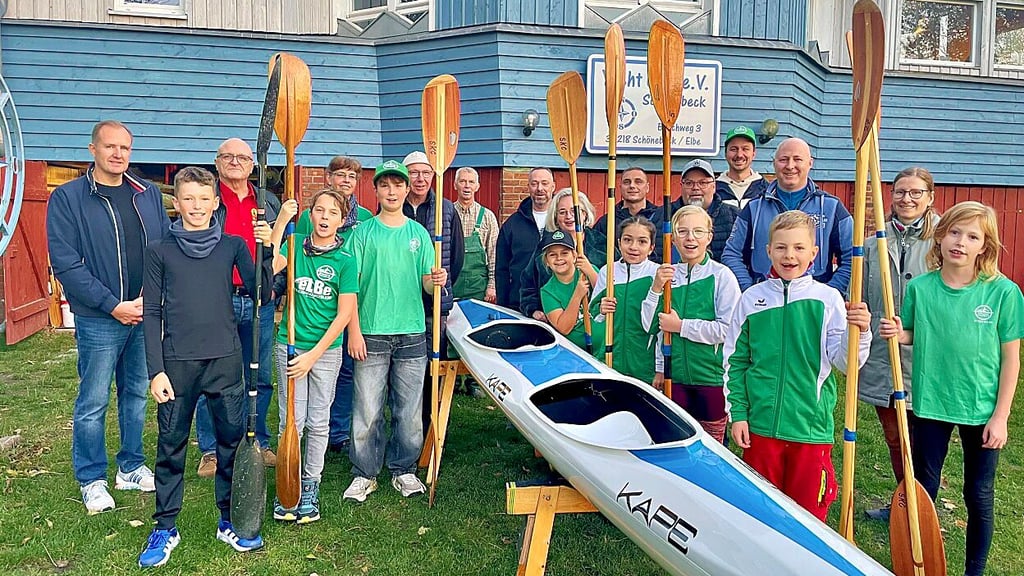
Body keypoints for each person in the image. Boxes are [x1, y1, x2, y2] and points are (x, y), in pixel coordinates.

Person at [138, 166, 273, 567]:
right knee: (171, 445)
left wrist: (269, 245)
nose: (196, 206)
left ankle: (228, 519)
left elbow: (261, 293)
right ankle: (165, 525)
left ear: (216, 203)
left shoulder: (232, 245)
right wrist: (155, 369)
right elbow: (150, 312)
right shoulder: (160, 251)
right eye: (188, 199)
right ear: (176, 204)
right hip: (178, 363)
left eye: (204, 199)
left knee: (231, 442)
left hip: (225, 362)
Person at [880, 201, 1023, 576]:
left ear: (984, 246)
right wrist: (899, 332)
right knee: (923, 488)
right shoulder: (922, 289)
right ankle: (921, 559)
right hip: (931, 403)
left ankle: (973, 569)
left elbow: (1012, 360)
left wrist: (1001, 416)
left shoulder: (1003, 293)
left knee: (978, 493)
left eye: (972, 236)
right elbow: (913, 332)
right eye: (954, 233)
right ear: (940, 238)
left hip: (980, 407)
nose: (961, 242)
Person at [46, 120, 170, 515]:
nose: (118, 154)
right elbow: (66, 263)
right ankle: (91, 478)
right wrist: (111, 304)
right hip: (100, 317)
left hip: (142, 312)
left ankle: (131, 467)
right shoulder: (68, 198)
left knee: (135, 394)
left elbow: (164, 247)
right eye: (110, 147)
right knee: (93, 400)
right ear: (92, 149)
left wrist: (149, 299)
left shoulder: (146, 194)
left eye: (125, 148)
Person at [724, 211, 871, 521]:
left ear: (814, 253)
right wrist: (738, 414)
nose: (789, 255)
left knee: (807, 515)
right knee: (760, 512)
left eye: (799, 248)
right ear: (768, 252)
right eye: (780, 247)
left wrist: (859, 332)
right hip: (761, 428)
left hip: (809, 428)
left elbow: (846, 362)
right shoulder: (751, 299)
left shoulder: (827, 299)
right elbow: (735, 361)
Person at [342, 160, 447, 503]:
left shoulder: (419, 234)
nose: (391, 191)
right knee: (367, 409)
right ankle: (365, 472)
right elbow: (350, 288)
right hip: (370, 332)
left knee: (409, 410)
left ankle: (404, 469)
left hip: (412, 333)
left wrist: (436, 281)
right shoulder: (361, 234)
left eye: (397, 185)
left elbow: (427, 288)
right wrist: (353, 332)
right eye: (384, 185)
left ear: (406, 189)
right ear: (375, 190)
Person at [194, 137, 281, 478]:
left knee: (259, 377)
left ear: (252, 165)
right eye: (227, 157)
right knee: (212, 374)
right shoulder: (209, 201)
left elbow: (284, 249)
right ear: (216, 163)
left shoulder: (268, 202)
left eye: (242, 157)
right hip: (219, 298)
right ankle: (212, 450)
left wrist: (275, 287)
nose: (235, 162)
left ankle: (257, 440)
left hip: (258, 298)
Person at [270, 190, 358, 524]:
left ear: (341, 219)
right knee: (291, 420)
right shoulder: (295, 245)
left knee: (318, 421)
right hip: (289, 346)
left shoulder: (346, 260)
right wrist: (280, 223)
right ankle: (287, 482)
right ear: (309, 215)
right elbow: (270, 263)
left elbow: (344, 315)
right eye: (318, 210)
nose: (324, 217)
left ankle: (310, 484)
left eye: (332, 212)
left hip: (325, 351)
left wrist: (314, 355)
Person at [860, 167, 940, 522]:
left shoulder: (942, 239)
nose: (907, 199)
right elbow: (860, 295)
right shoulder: (873, 242)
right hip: (882, 354)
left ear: (930, 197)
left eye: (916, 193)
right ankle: (904, 500)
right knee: (895, 437)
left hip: (928, 354)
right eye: (900, 192)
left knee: (924, 439)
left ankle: (925, 506)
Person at [642, 205, 741, 443]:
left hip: (711, 376)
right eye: (683, 232)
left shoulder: (721, 276)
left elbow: (727, 330)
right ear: (673, 238)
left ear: (709, 236)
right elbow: (650, 326)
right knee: (677, 436)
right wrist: (656, 287)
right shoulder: (667, 275)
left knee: (712, 440)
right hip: (674, 376)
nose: (690, 238)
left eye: (698, 231)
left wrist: (681, 326)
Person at [295, 156, 372, 454]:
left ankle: (336, 431)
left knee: (346, 372)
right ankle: (309, 432)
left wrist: (354, 328)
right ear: (329, 178)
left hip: (352, 303)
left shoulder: (365, 217)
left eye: (352, 177)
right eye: (340, 175)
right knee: (318, 371)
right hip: (315, 306)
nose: (346, 181)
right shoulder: (308, 217)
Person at [722, 137, 854, 294]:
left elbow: (852, 258)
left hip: (813, 305)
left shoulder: (832, 208)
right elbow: (731, 254)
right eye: (784, 160)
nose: (790, 166)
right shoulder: (753, 208)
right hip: (766, 303)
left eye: (797, 159)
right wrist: (750, 290)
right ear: (774, 163)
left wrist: (829, 295)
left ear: (810, 163)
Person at [401, 150, 465, 433]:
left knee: (431, 364)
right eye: (414, 172)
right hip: (400, 303)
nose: (420, 178)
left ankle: (430, 426)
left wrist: (441, 288)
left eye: (426, 173)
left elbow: (457, 257)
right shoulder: (394, 207)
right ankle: (403, 422)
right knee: (402, 366)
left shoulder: (446, 210)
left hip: (432, 304)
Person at [592, 217, 660, 384]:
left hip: (644, 363)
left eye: (642, 241)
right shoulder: (607, 271)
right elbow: (593, 314)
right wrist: (601, 309)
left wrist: (660, 367)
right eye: (627, 240)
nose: (633, 247)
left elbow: (661, 328)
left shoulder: (656, 274)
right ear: (619, 242)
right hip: (609, 357)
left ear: (651, 248)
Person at [519, 188, 604, 321]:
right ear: (556, 218)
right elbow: (528, 281)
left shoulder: (602, 245)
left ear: (585, 214)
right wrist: (533, 308)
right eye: (562, 212)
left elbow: (614, 284)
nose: (569, 216)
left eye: (574, 211)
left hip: (596, 320)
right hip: (556, 321)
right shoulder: (545, 247)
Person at [495, 167, 555, 310]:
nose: (540, 188)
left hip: (557, 305)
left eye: (545, 183)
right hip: (520, 304)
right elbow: (501, 270)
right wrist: (503, 306)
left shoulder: (562, 222)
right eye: (534, 184)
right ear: (528, 187)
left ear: (553, 186)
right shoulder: (512, 225)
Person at [539, 230, 601, 352]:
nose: (559, 258)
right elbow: (563, 328)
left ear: (574, 255)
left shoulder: (588, 271)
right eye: (552, 255)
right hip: (579, 353)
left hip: (607, 347)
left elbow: (609, 296)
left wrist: (591, 272)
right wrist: (577, 296)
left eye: (564, 253)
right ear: (546, 261)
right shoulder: (547, 291)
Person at [668, 159, 739, 262]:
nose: (696, 188)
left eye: (703, 183)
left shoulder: (735, 217)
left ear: (714, 186)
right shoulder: (662, 216)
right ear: (681, 186)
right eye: (689, 183)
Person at [593, 167, 666, 262]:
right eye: (627, 182)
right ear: (620, 187)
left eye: (638, 182)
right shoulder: (607, 221)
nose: (632, 186)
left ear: (647, 187)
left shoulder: (661, 218)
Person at [451, 166, 499, 303]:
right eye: (462, 181)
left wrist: (492, 286)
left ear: (477, 186)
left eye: (471, 182)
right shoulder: (446, 213)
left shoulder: (487, 217)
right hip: (452, 285)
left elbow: (494, 254)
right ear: (455, 185)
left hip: (479, 288)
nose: (467, 186)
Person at [716, 125, 768, 209]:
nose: (739, 155)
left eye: (745, 149)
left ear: (753, 153)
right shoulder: (714, 189)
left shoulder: (766, 190)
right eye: (734, 149)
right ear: (725, 153)